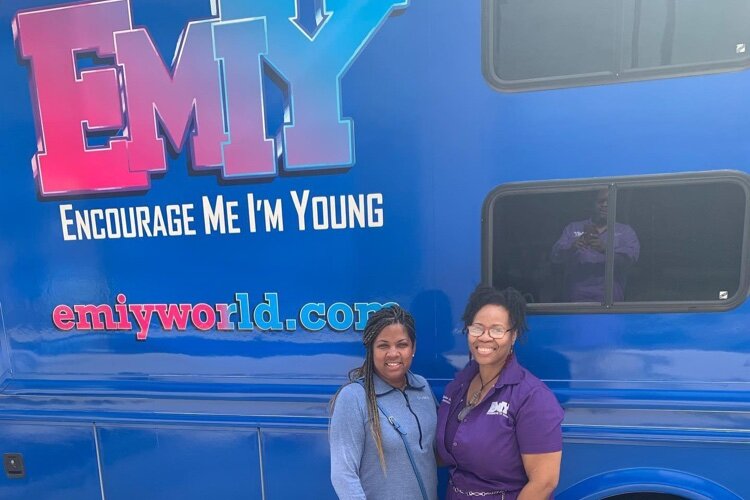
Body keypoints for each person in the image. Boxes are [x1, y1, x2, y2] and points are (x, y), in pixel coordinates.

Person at [437, 286, 563, 499]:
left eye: (496, 330)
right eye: (477, 328)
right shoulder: (459, 385)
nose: (485, 337)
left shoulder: (532, 397)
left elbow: (544, 482)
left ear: (513, 336)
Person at [329, 305, 438, 500]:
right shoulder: (353, 397)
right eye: (383, 345)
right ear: (371, 350)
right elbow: (343, 475)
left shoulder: (422, 387)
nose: (393, 353)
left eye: (402, 344)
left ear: (413, 347)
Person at [551, 189, 639, 302]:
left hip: (611, 301)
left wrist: (605, 249)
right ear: (593, 204)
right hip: (575, 299)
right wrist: (572, 247)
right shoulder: (573, 228)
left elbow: (630, 260)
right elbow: (555, 257)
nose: (605, 205)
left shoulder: (626, 231)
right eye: (601, 201)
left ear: (616, 205)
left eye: (609, 202)